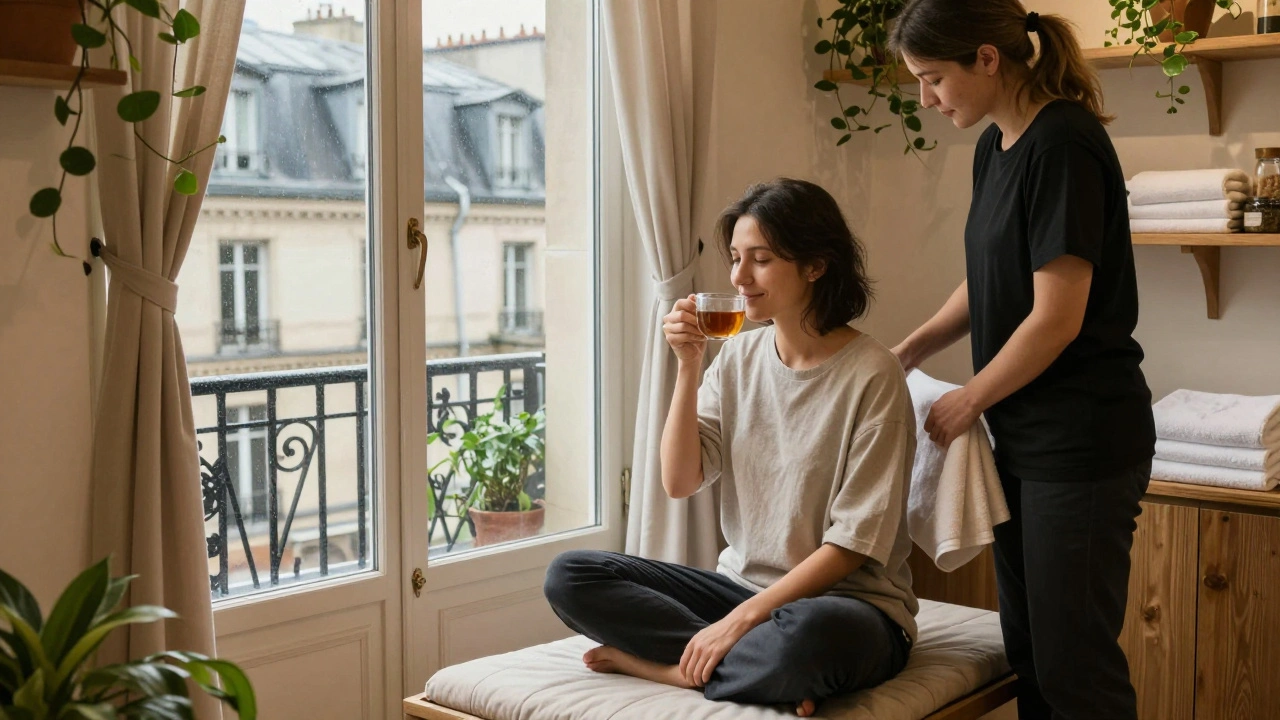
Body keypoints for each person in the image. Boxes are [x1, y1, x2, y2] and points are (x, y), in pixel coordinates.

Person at [543, 178, 918, 716]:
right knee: (571, 575)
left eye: (761, 260)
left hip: (847, 607)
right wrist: (689, 365)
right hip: (741, 588)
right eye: (736, 258)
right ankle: (756, 669)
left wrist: (738, 623)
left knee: (807, 638)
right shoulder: (738, 358)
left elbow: (853, 545)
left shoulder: (873, 374)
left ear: (816, 265)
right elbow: (680, 481)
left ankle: (670, 669)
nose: (739, 278)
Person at [887, 3, 1156, 719]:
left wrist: (968, 396)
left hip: (1082, 443)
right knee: (1033, 656)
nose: (926, 99)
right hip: (1021, 441)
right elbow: (992, 275)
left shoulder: (1062, 143)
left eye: (933, 78)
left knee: (1076, 669)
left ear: (986, 58)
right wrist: (910, 350)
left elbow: (1056, 317)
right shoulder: (997, 146)